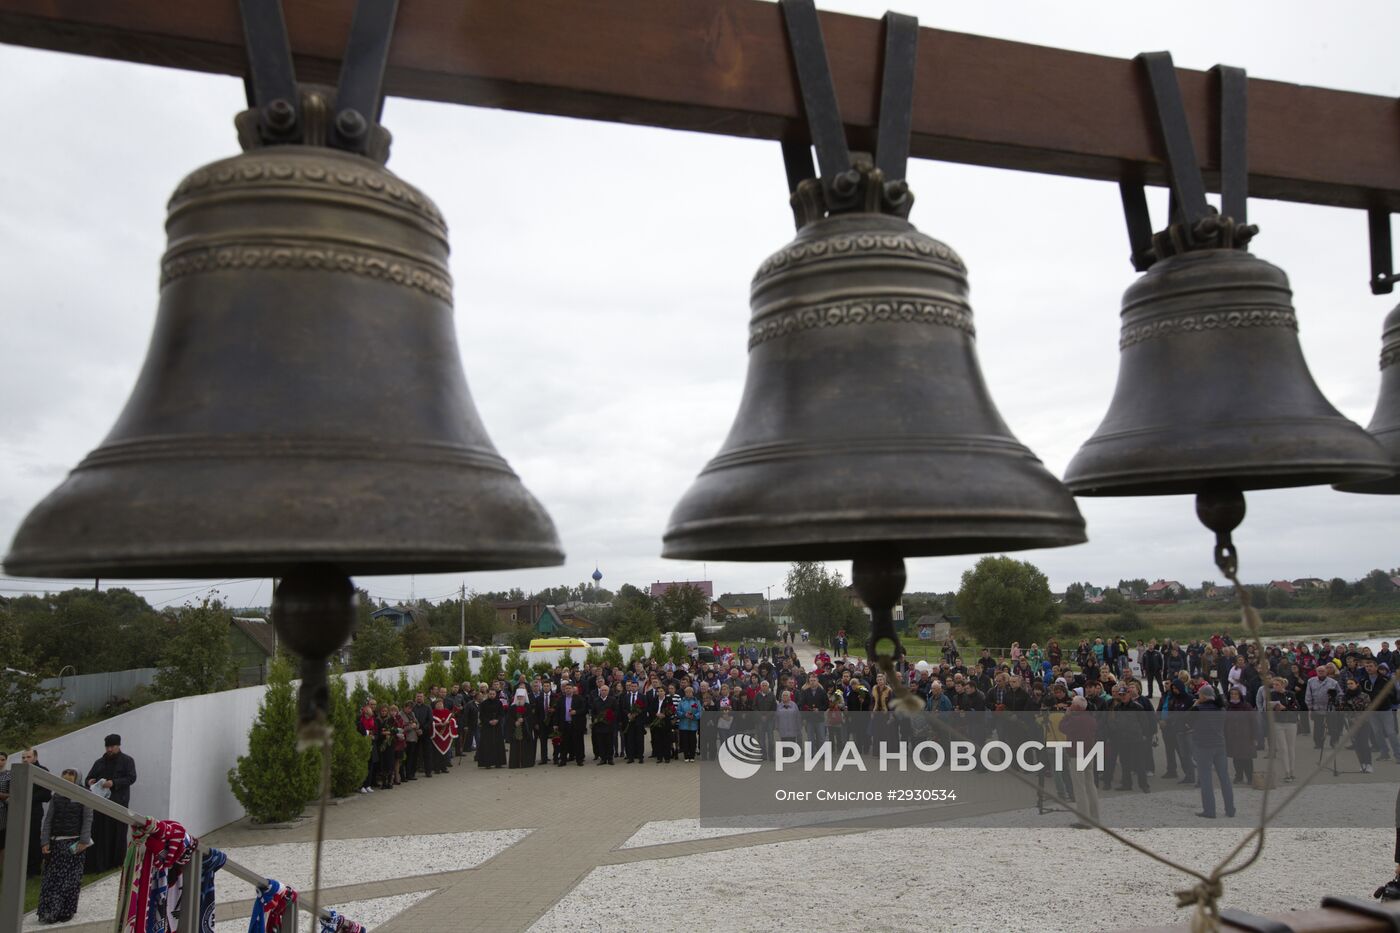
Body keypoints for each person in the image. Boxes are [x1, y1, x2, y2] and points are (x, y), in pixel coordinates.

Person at [37, 768, 93, 924]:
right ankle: (48, 911)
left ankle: (65, 911)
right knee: (52, 880)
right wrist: (45, 841)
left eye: (70, 777)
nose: (67, 780)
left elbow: (88, 819)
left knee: (70, 880)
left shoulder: (83, 796)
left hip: (74, 843)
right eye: (65, 777)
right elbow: (48, 820)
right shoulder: (57, 796)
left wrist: (84, 840)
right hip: (56, 843)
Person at [84, 734, 137, 872]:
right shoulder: (99, 762)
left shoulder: (127, 761)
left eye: (112, 747)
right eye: (107, 747)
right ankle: (100, 863)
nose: (109, 749)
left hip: (119, 802)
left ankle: (117, 862)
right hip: (100, 804)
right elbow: (89, 778)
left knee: (118, 832)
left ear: (118, 746)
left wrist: (113, 783)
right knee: (100, 833)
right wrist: (90, 781)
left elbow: (131, 778)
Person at [1190, 685, 1235, 819]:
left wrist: (1195, 705)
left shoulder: (1198, 709)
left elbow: (1186, 719)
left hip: (1204, 746)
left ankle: (1209, 810)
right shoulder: (1221, 709)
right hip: (1220, 744)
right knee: (1224, 778)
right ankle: (1230, 809)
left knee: (1206, 779)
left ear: (1203, 696)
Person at [21, 747, 52, 876]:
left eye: (28, 757)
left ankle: (33, 869)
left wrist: (29, 798)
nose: (25, 760)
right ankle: (24, 867)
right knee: (22, 839)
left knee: (33, 839)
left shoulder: (42, 771)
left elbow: (46, 794)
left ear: (35, 757)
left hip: (34, 811)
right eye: (23, 757)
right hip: (21, 810)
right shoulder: (20, 770)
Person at [1224, 686, 1257, 785]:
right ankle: (1239, 776)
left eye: (1236, 694)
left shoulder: (1246, 706)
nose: (1233, 696)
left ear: (1239, 695)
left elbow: (1253, 722)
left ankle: (1250, 777)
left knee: (1247, 758)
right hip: (1232, 736)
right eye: (1232, 694)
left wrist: (1254, 736)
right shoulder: (1228, 707)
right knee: (1236, 758)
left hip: (1246, 736)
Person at [556, 683, 587, 766]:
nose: (568, 690)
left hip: (576, 724)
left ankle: (579, 760)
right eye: (566, 688)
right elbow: (557, 713)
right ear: (564, 690)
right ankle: (563, 760)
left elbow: (584, 710)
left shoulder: (579, 698)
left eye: (570, 688)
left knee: (578, 743)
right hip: (564, 724)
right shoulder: (560, 699)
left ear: (573, 689)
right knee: (564, 743)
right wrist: (556, 724)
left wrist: (576, 712)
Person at [505, 688, 536, 769]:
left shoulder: (528, 706)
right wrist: (515, 722)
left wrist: (524, 720)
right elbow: (508, 718)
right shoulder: (512, 707)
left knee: (526, 747)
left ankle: (526, 763)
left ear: (525, 697)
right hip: (515, 730)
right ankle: (515, 763)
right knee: (515, 747)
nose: (520, 699)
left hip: (526, 731)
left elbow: (531, 717)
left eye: (521, 697)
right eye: (518, 697)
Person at [477, 687, 506, 769]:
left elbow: (501, 714)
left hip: (497, 726)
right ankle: (487, 763)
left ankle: (498, 763)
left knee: (498, 744)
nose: (492, 695)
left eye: (493, 694)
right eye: (490, 694)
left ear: (495, 694)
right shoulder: (483, 703)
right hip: (487, 726)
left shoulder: (499, 703)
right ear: (488, 694)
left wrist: (497, 720)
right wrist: (488, 721)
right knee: (487, 745)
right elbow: (481, 715)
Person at [676, 686, 701, 762]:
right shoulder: (682, 701)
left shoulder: (696, 701)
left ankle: (692, 756)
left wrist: (694, 716)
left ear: (692, 693)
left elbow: (700, 712)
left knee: (693, 741)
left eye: (690, 692)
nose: (688, 693)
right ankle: (686, 756)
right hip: (684, 724)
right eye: (687, 692)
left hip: (693, 725)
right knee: (685, 741)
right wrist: (684, 714)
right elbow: (678, 711)